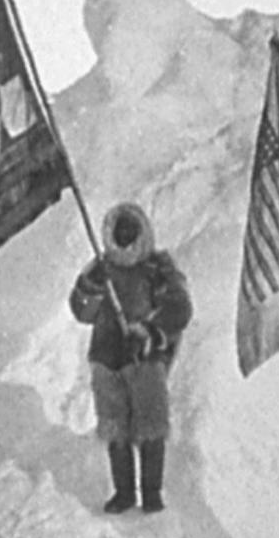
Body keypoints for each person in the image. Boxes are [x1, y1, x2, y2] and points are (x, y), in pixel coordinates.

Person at [70, 202, 193, 515]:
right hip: (106, 357)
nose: (124, 237)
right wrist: (90, 285)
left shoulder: (157, 267)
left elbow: (179, 308)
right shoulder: (101, 267)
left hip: (144, 358)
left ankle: (151, 493)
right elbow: (81, 311)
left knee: (150, 426)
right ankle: (123, 492)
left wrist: (151, 332)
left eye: (130, 231)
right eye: (119, 231)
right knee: (115, 427)